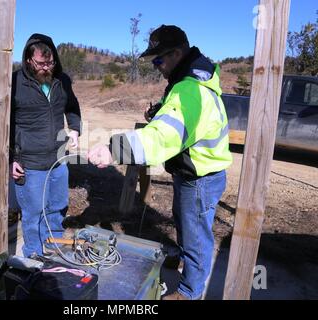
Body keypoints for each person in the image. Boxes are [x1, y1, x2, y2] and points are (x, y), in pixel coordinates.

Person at [88, 25, 232, 300]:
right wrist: (160, 111)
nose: (156, 66)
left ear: (177, 53)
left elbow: (164, 137)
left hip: (200, 178)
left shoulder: (190, 91)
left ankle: (189, 292)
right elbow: (178, 120)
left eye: (158, 60)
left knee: (196, 237)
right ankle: (181, 257)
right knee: (185, 223)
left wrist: (114, 150)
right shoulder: (189, 82)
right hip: (193, 173)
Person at [10, 33, 81, 258]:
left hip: (59, 158)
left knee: (58, 205)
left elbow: (72, 107)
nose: (46, 68)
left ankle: (53, 243)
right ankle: (33, 253)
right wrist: (10, 158)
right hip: (29, 162)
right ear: (29, 60)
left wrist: (75, 128)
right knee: (33, 212)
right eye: (41, 63)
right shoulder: (13, 83)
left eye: (49, 63)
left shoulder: (62, 80)